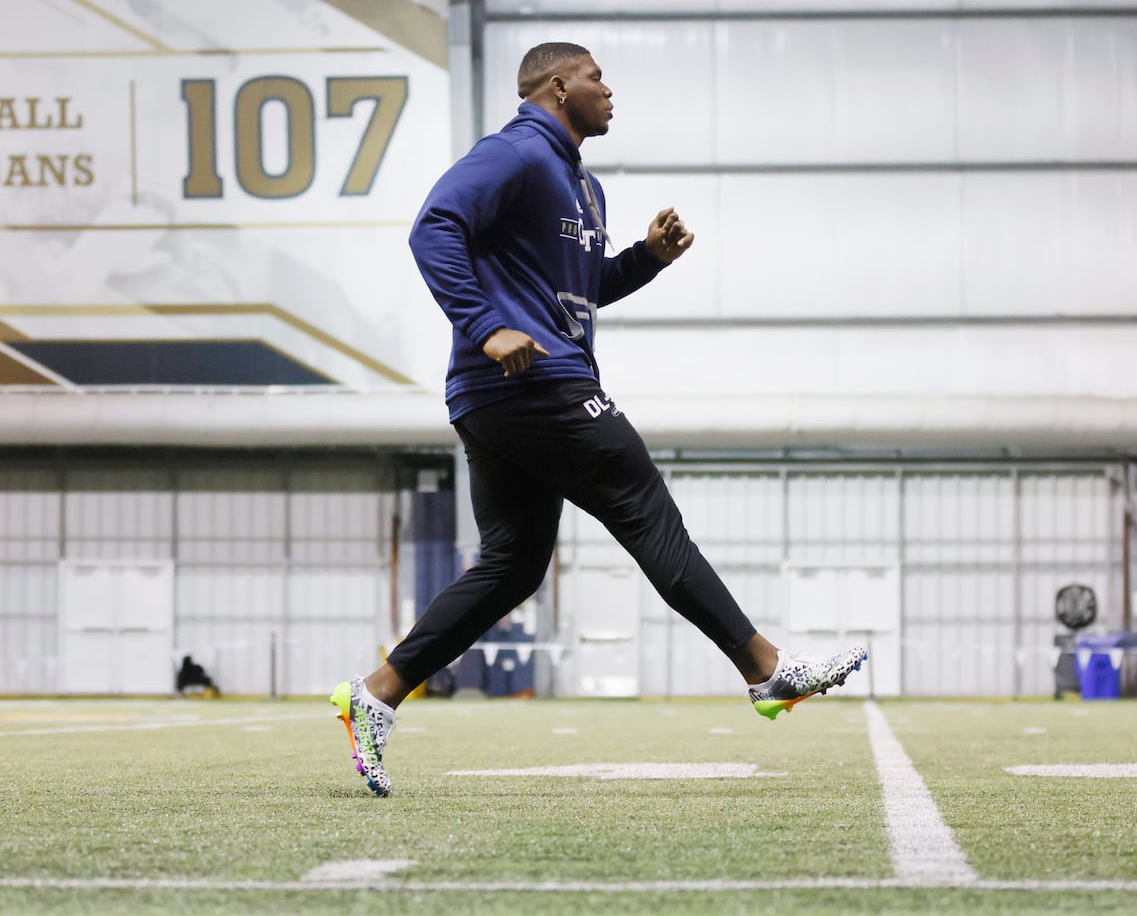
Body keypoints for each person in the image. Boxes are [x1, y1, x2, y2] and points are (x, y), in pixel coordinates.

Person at [331, 42, 866, 797]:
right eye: (595, 78)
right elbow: (433, 229)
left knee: (513, 562)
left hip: (502, 395)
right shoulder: (514, 153)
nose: (609, 92)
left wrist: (644, 259)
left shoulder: (583, 187)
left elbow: (578, 289)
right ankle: (766, 669)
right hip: (530, 381)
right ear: (556, 87)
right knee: (644, 507)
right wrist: (485, 325)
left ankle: (378, 691)